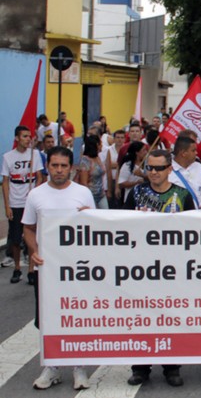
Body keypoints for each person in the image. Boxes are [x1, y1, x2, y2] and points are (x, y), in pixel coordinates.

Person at [22, 146, 95, 390]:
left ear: (71, 168)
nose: (59, 170)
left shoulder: (83, 193)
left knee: (78, 316)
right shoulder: (36, 195)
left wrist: (89, 218)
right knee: (47, 318)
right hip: (48, 271)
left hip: (78, 269)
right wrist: (35, 251)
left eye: (64, 166)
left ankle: (79, 367)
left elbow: (96, 230)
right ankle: (52, 366)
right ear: (48, 167)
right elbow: (28, 228)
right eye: (55, 165)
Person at [125, 150, 194, 387]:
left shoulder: (182, 195)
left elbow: (195, 231)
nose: (153, 172)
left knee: (170, 318)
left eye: (158, 168)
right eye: (149, 168)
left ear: (169, 169)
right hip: (140, 268)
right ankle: (140, 368)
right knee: (141, 318)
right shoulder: (135, 193)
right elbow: (115, 224)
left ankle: (171, 366)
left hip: (172, 270)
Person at [2, 126, 44, 283]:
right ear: (17, 138)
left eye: (30, 136)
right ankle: (17, 268)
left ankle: (31, 269)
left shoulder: (35, 155)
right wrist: (7, 205)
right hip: (15, 202)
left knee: (32, 236)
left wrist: (34, 193)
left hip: (30, 203)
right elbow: (5, 182)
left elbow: (40, 176)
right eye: (25, 136)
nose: (28, 139)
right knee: (15, 238)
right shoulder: (8, 157)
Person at [169, 136, 201, 209]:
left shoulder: (199, 167)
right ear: (183, 153)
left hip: (196, 217)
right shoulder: (167, 169)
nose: (196, 153)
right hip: (175, 217)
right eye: (193, 150)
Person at [77, 135, 108, 209]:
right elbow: (83, 183)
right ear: (97, 145)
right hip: (91, 195)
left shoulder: (98, 157)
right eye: (101, 143)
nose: (102, 145)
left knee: (106, 213)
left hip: (101, 194)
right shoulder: (85, 161)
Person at [105, 129, 126, 209]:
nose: (119, 139)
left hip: (123, 180)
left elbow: (123, 165)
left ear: (124, 139)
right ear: (114, 139)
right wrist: (119, 165)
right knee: (112, 203)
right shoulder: (109, 150)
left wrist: (115, 164)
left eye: (121, 137)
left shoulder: (127, 149)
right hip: (112, 180)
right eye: (117, 137)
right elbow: (107, 166)